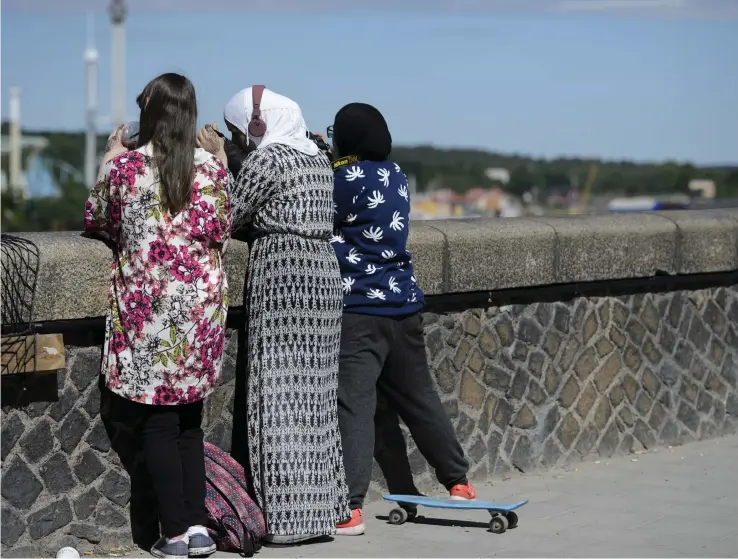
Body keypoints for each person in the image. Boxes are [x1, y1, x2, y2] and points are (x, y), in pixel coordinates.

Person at [84, 73, 232, 559]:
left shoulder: (126, 169)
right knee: (188, 417)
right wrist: (224, 160)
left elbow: (98, 220)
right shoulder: (209, 168)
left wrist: (109, 157)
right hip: (200, 310)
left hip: (149, 308)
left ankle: (172, 532)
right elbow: (221, 229)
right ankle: (197, 527)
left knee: (158, 423)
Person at [196, 86, 349, 544]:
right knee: (315, 396)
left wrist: (221, 160)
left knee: (277, 391)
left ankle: (286, 518)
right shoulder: (317, 159)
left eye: (238, 130)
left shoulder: (268, 160)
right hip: (322, 274)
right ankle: (324, 510)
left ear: (258, 125)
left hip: (283, 271)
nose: (239, 137)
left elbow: (227, 215)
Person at [328, 103, 476, 536]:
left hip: (359, 308)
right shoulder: (395, 174)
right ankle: (458, 480)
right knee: (420, 397)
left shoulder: (337, 180)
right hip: (404, 303)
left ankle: (350, 507)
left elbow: (321, 210)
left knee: (353, 405)